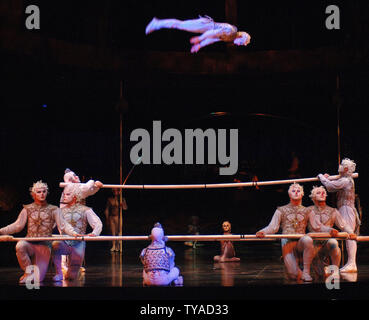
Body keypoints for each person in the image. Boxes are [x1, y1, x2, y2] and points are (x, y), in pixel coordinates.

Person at [0, 181, 78, 283]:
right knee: (20, 246)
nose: (42, 194)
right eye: (39, 192)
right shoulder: (27, 209)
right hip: (29, 243)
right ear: (33, 194)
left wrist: (74, 233)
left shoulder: (54, 209)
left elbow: (63, 225)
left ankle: (35, 274)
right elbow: (17, 226)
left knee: (37, 280)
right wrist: (1, 231)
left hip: (43, 245)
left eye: (44, 191)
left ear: (47, 193)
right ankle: (28, 272)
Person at [256, 183, 314, 282]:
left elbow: (316, 227)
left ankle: (306, 272)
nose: (296, 192)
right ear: (289, 194)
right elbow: (273, 227)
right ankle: (296, 271)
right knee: (293, 275)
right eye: (293, 191)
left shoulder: (308, 211)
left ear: (302, 194)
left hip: (301, 241)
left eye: (298, 191)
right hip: (287, 242)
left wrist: (329, 230)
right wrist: (262, 231)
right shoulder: (281, 210)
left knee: (308, 239)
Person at [52, 183, 103, 282]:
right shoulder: (60, 211)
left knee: (71, 277)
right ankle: (59, 272)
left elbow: (98, 223)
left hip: (78, 243)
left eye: (68, 194)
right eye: (64, 194)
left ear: (75, 196)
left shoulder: (86, 210)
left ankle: (74, 271)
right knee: (55, 245)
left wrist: (94, 233)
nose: (64, 196)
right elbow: (50, 224)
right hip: (65, 242)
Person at [318, 158, 360, 273]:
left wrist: (321, 177)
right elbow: (333, 182)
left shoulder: (346, 181)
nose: (339, 166)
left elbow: (331, 187)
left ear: (346, 168)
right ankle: (351, 263)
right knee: (347, 234)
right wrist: (327, 177)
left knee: (349, 234)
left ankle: (352, 263)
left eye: (342, 165)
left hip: (346, 209)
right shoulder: (344, 179)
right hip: (345, 209)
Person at [307, 186, 356, 278]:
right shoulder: (309, 210)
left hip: (327, 242)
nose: (322, 194)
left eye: (323, 192)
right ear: (313, 197)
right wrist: (329, 230)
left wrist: (350, 232)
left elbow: (343, 224)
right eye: (318, 192)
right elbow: (317, 226)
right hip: (313, 243)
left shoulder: (333, 211)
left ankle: (334, 272)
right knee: (321, 275)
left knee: (333, 243)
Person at [145, 15, 251, 53]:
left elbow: (213, 39)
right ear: (241, 36)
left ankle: (157, 24)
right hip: (206, 26)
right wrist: (200, 39)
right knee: (180, 25)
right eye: (241, 43)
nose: (239, 45)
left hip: (206, 28)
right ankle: (157, 23)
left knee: (180, 25)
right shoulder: (231, 31)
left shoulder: (230, 38)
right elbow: (212, 32)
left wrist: (200, 45)